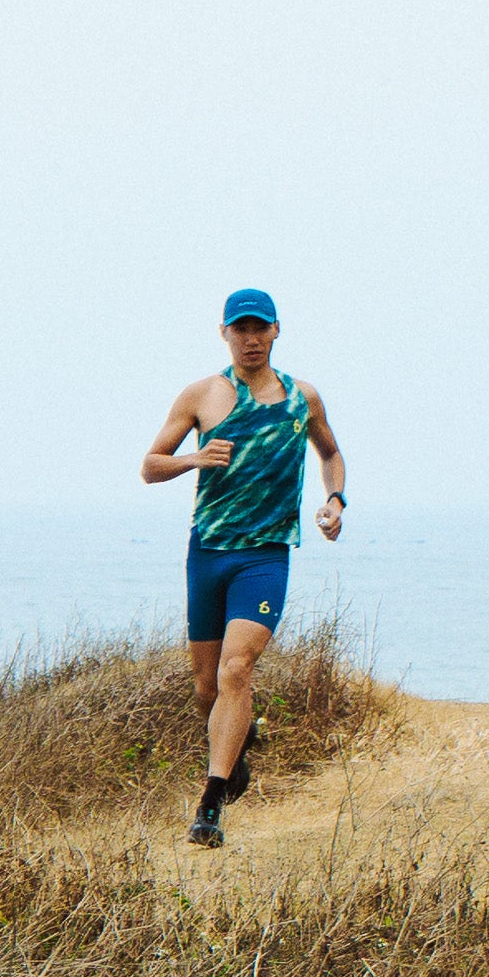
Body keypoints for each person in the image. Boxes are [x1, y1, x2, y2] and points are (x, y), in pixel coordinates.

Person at [139, 287, 348, 847]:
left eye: (260, 328)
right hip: (208, 552)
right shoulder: (202, 395)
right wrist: (194, 458)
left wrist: (334, 501)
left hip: (265, 554)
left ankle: (209, 805)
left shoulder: (303, 398)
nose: (251, 339)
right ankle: (237, 745)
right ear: (224, 334)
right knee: (206, 689)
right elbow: (150, 466)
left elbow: (330, 453)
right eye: (241, 329)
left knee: (237, 670)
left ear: (276, 330)